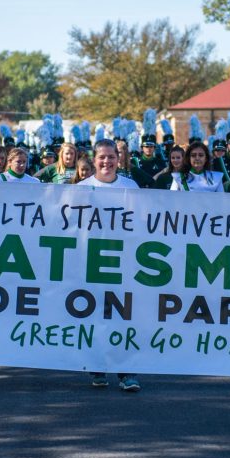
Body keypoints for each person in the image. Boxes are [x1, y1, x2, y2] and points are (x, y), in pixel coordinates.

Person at [77, 139, 140, 392]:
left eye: (111, 157)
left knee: (123, 317)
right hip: (89, 264)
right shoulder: (81, 188)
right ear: (94, 159)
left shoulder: (130, 187)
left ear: (119, 158)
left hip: (122, 264)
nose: (107, 161)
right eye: (102, 157)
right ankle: (97, 367)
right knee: (93, 316)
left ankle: (126, 373)